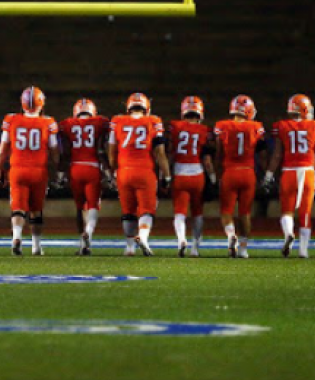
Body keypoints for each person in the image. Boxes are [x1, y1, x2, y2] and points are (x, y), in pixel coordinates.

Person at [0, 86, 60, 256]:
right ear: (41, 103)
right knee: (36, 209)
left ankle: (17, 237)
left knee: (18, 207)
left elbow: (3, 148)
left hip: (18, 169)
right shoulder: (48, 122)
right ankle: (36, 246)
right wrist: (58, 168)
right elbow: (54, 150)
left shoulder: (12, 119)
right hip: (39, 170)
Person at [263, 94, 315, 259]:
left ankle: (289, 234)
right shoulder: (313, 126)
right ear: (305, 109)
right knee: (305, 213)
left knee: (287, 211)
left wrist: (269, 175)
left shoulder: (282, 126)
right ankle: (303, 251)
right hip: (307, 172)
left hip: (289, 172)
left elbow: (277, 155)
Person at [109, 93, 170, 257]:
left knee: (128, 211)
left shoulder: (118, 121)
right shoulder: (153, 121)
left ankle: (129, 247)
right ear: (146, 107)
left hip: (124, 171)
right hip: (144, 171)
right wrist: (167, 175)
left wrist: (114, 171)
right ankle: (142, 236)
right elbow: (160, 153)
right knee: (147, 209)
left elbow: (111, 152)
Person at [58, 98, 112, 255]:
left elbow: (66, 153)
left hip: (75, 168)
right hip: (92, 168)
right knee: (93, 205)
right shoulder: (100, 123)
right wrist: (109, 173)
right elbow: (101, 151)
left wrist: (60, 175)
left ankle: (82, 245)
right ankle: (88, 232)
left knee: (80, 207)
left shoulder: (67, 124)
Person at [214, 95, 266, 258]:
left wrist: (217, 173)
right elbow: (262, 154)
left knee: (226, 211)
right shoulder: (256, 126)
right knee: (245, 213)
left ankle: (231, 235)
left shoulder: (223, 126)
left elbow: (218, 154)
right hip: (248, 172)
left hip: (230, 172)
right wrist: (265, 173)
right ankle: (243, 249)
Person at [168, 96, 216, 257]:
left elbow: (170, 153)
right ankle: (195, 248)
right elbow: (207, 161)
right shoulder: (205, 130)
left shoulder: (175, 127)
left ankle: (181, 240)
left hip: (179, 173)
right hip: (197, 174)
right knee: (197, 212)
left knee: (179, 212)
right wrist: (213, 178)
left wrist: (165, 174)